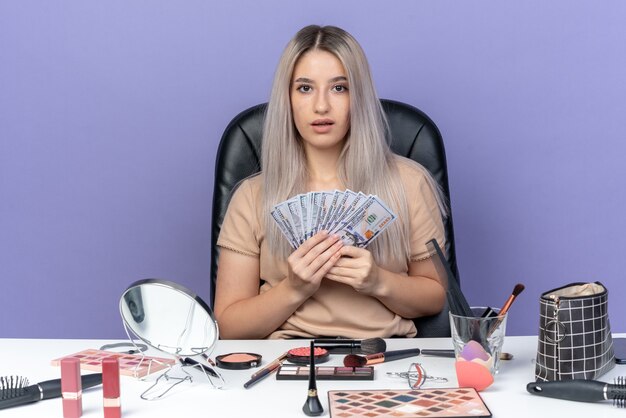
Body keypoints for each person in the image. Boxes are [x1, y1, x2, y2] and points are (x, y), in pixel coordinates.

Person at [214, 25, 448, 339]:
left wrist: (378, 281)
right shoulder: (252, 196)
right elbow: (228, 326)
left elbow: (437, 296)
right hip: (285, 362)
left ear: (359, 97)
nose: (321, 106)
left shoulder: (410, 182)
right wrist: (294, 289)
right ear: (287, 99)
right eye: (305, 88)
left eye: (339, 88)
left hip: (387, 358)